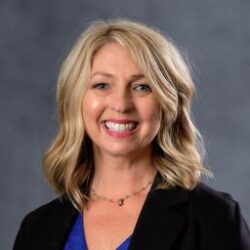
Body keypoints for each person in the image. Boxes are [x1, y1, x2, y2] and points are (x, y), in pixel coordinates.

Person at [13, 19, 250, 250]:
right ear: (76, 99)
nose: (121, 104)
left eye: (142, 87)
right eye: (102, 85)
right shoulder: (37, 229)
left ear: (167, 104)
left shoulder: (213, 219)